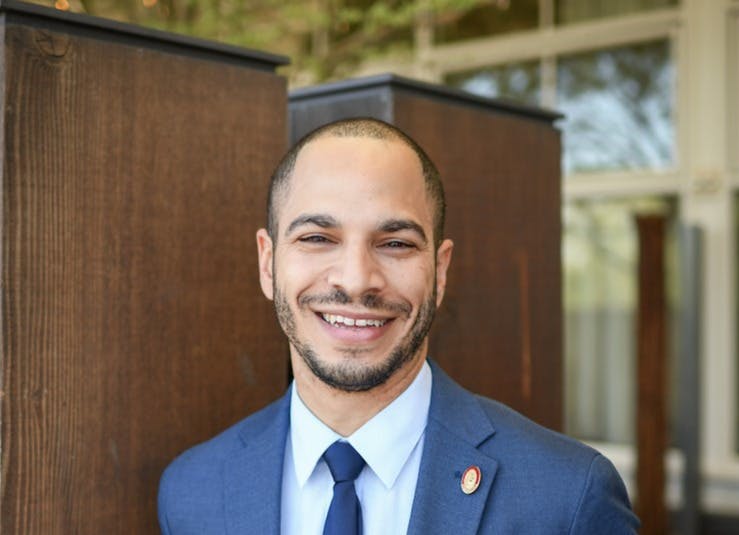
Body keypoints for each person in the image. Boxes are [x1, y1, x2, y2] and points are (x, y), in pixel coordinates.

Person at [158, 117, 640, 534]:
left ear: (440, 269)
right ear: (267, 263)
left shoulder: (567, 498)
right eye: (317, 237)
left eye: (395, 244)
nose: (355, 280)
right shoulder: (192, 492)